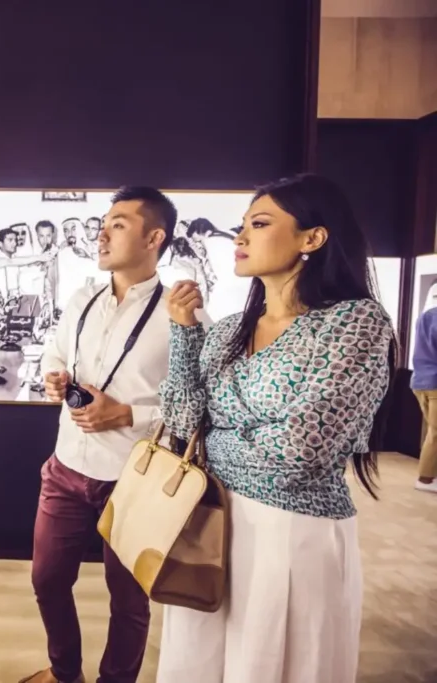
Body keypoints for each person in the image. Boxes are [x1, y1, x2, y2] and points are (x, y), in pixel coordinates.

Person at [157, 173, 394, 683]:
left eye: (259, 224)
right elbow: (180, 422)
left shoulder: (354, 323)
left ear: (313, 237)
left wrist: (215, 436)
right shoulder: (225, 331)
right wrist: (183, 335)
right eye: (241, 226)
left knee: (276, 666)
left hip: (293, 533)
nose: (239, 238)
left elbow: (298, 456)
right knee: (197, 665)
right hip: (210, 520)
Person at [23, 187, 195, 683]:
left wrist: (127, 415)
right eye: (104, 221)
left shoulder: (181, 314)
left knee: (129, 599)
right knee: (47, 579)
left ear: (154, 237)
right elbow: (54, 354)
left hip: (135, 480)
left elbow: (193, 407)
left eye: (118, 223)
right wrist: (53, 375)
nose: (102, 231)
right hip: (65, 467)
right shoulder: (82, 299)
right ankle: (64, 674)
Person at [410, 303, 437, 493]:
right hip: (435, 382)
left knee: (432, 431)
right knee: (435, 434)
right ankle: (425, 479)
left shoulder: (427, 315)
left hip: (420, 380)